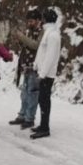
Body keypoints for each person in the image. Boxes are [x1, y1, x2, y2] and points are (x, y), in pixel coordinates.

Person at [9, 9, 43, 129]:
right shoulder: (29, 31)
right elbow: (25, 46)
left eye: (32, 21)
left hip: (35, 67)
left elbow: (35, 46)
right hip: (26, 65)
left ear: (38, 21)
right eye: (28, 21)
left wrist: (22, 37)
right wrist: (19, 40)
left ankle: (30, 118)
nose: (29, 23)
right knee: (24, 93)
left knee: (32, 94)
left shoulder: (42, 32)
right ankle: (22, 115)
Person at [30, 9, 61, 140]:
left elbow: (50, 57)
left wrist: (42, 75)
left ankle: (45, 127)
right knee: (42, 100)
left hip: (47, 74)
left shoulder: (53, 35)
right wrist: (36, 65)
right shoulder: (48, 32)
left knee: (44, 100)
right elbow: (42, 52)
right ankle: (42, 125)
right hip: (43, 72)